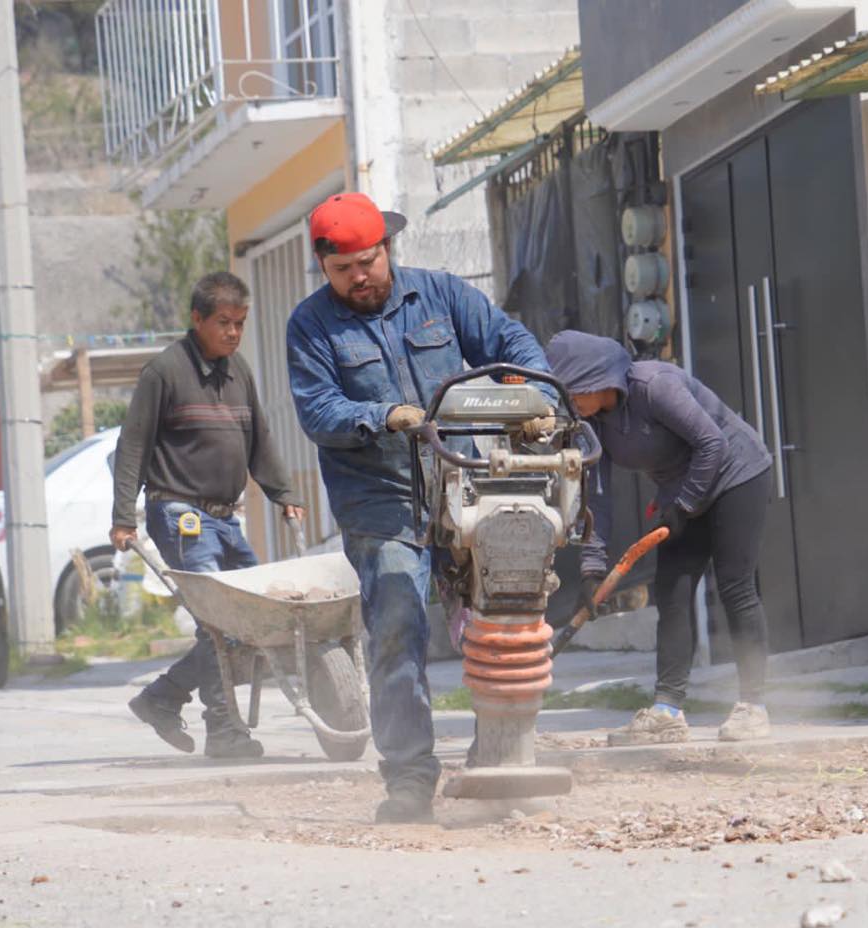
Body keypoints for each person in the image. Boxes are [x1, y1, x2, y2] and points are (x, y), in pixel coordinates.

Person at [287, 192, 557, 823]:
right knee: (399, 625)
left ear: (388, 248)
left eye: (368, 261)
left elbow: (506, 339)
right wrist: (382, 416)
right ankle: (408, 780)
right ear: (324, 269)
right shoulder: (311, 326)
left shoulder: (441, 295)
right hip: (380, 500)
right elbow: (318, 410)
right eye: (343, 269)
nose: (359, 277)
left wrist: (534, 392)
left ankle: (503, 762)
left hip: (463, 482)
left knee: (507, 613)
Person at [544, 330, 774, 745]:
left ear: (595, 381)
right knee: (672, 594)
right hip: (683, 495)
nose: (568, 404)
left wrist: (684, 505)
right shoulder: (592, 424)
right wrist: (592, 570)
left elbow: (712, 443)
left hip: (737, 475)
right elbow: (597, 495)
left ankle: (753, 706)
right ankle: (667, 709)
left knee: (736, 587)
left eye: (571, 392)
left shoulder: (654, 386)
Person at [111, 271, 306, 759]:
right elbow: (132, 444)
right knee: (218, 624)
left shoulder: (239, 371)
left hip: (225, 517)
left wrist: (284, 492)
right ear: (197, 319)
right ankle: (224, 730)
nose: (234, 332)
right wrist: (123, 516)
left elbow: (258, 437)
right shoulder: (165, 372)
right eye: (224, 322)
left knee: (254, 619)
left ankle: (162, 697)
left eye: (240, 322)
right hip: (180, 515)